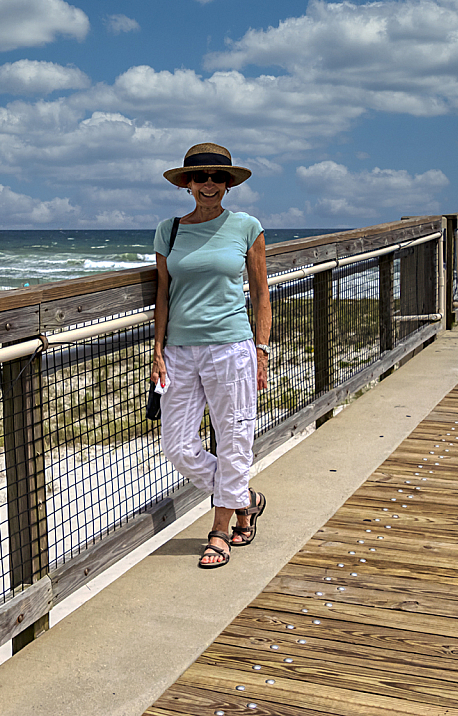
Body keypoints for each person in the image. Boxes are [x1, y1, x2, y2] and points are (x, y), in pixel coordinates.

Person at [151, 142, 272, 569]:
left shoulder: (246, 226)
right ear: (187, 183)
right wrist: (157, 350)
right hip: (180, 350)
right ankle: (246, 499)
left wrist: (260, 350)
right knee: (177, 447)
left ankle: (220, 530)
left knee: (235, 435)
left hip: (231, 348)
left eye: (217, 177)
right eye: (200, 177)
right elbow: (163, 294)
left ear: (228, 183)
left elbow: (260, 294)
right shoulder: (169, 230)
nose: (208, 184)